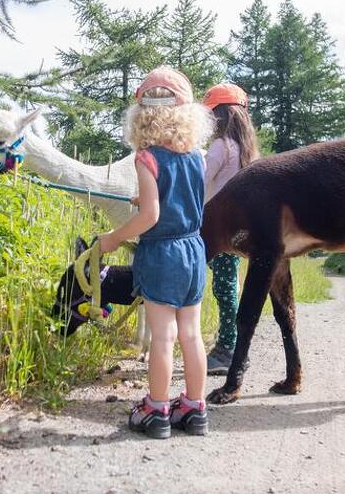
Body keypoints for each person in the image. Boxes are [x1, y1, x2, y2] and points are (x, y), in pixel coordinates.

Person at [99, 66, 214, 439]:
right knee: (191, 334)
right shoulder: (198, 156)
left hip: (162, 254)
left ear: (141, 115)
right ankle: (195, 409)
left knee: (163, 336)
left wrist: (113, 238)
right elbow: (185, 198)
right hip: (194, 249)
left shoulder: (146, 158)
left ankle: (157, 409)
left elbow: (150, 216)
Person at [201, 83, 260, 375]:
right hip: (241, 229)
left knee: (223, 288)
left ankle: (228, 349)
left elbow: (199, 184)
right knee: (229, 286)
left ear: (220, 116)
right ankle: (231, 344)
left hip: (218, 230)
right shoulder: (246, 149)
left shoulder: (220, 147)